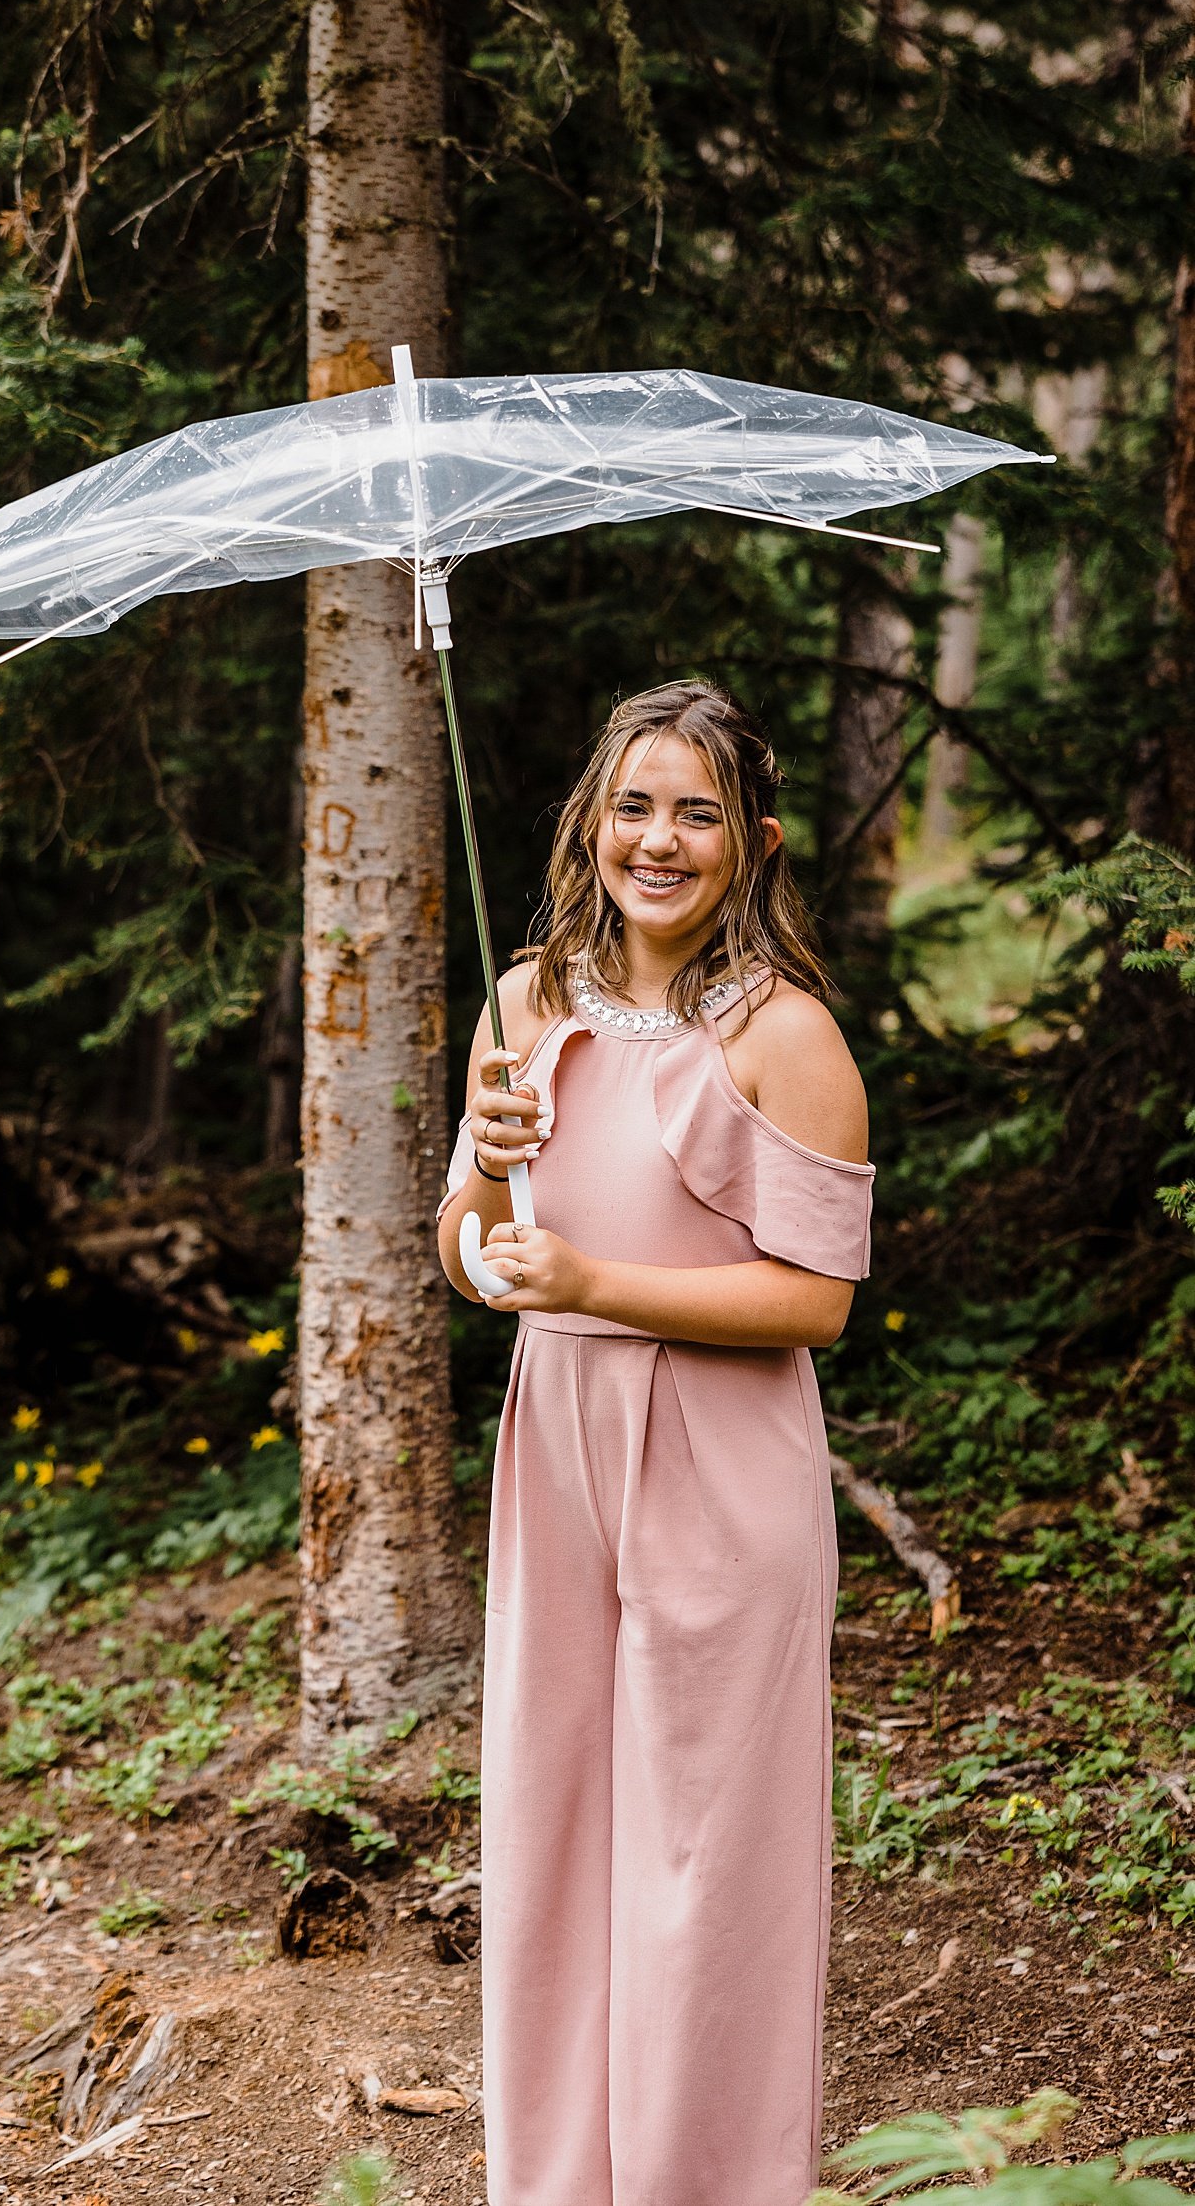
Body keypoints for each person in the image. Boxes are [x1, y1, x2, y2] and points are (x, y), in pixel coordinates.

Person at [437, 678, 872, 2206]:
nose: (659, 839)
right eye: (633, 804)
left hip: (720, 1465)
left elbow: (816, 1301)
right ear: (590, 822)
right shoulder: (521, 1001)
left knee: (705, 1862)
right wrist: (487, 1186)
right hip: (556, 1459)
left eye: (696, 811)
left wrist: (594, 1283)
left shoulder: (789, 1036)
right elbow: (466, 1254)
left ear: (751, 840)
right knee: (551, 1829)